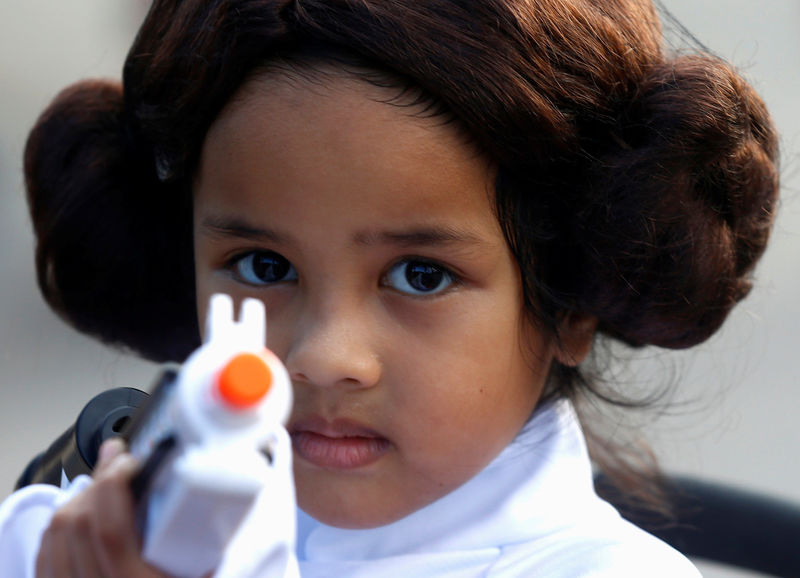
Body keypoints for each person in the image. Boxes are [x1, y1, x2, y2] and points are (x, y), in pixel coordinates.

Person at [0, 0, 780, 576]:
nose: (323, 356)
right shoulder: (79, 527)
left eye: (421, 275)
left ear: (572, 296)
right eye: (264, 267)